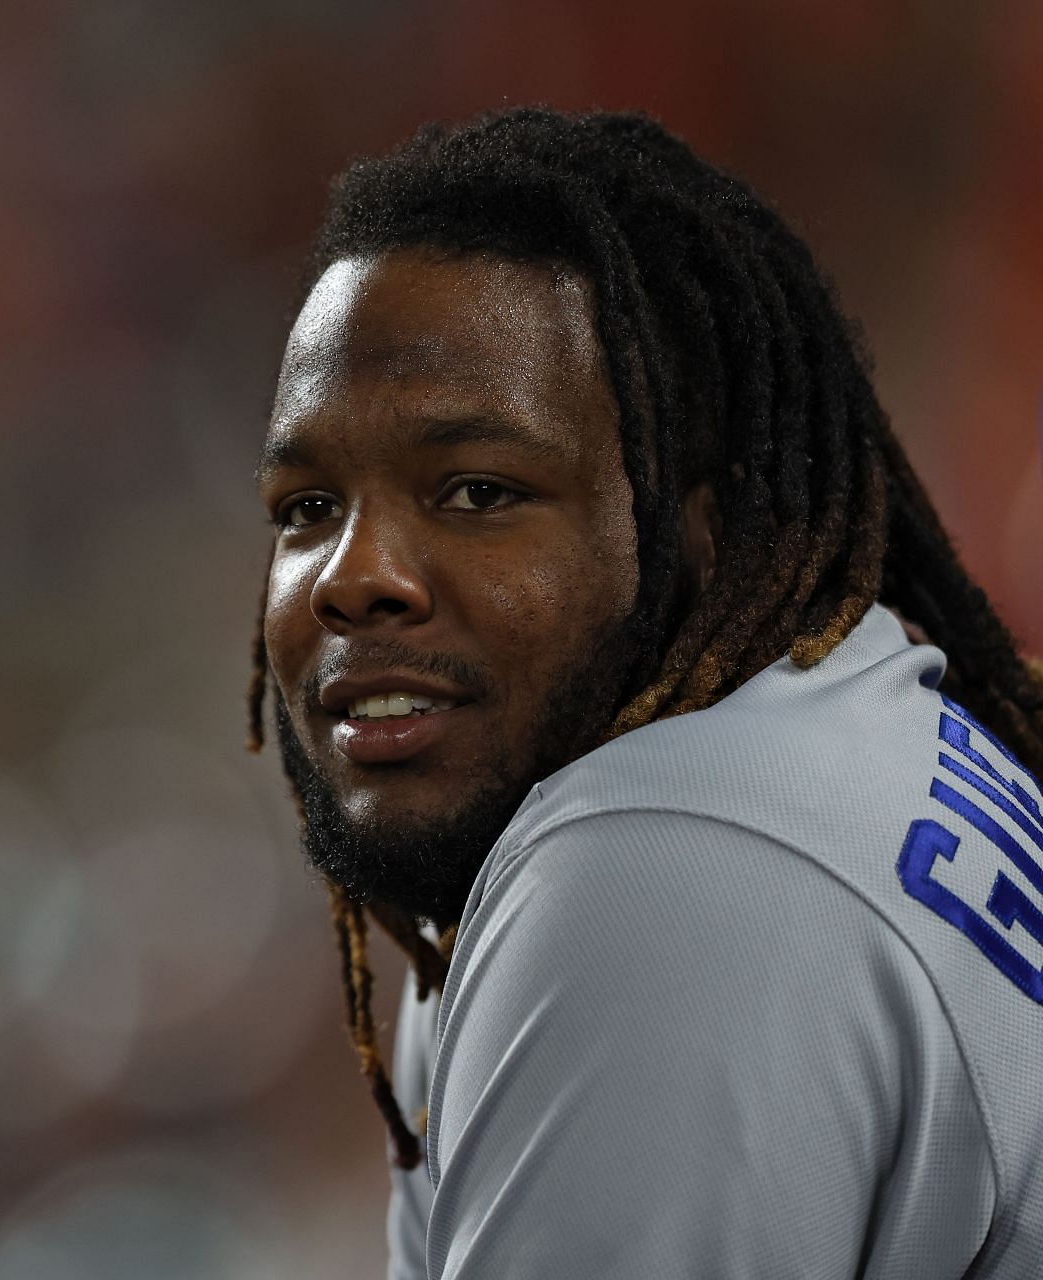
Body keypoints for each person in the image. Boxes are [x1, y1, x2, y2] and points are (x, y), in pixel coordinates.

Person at [247, 107, 1043, 1278]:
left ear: (704, 541)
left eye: (475, 489)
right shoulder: (837, 741)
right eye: (307, 507)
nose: (354, 578)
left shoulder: (665, 856)